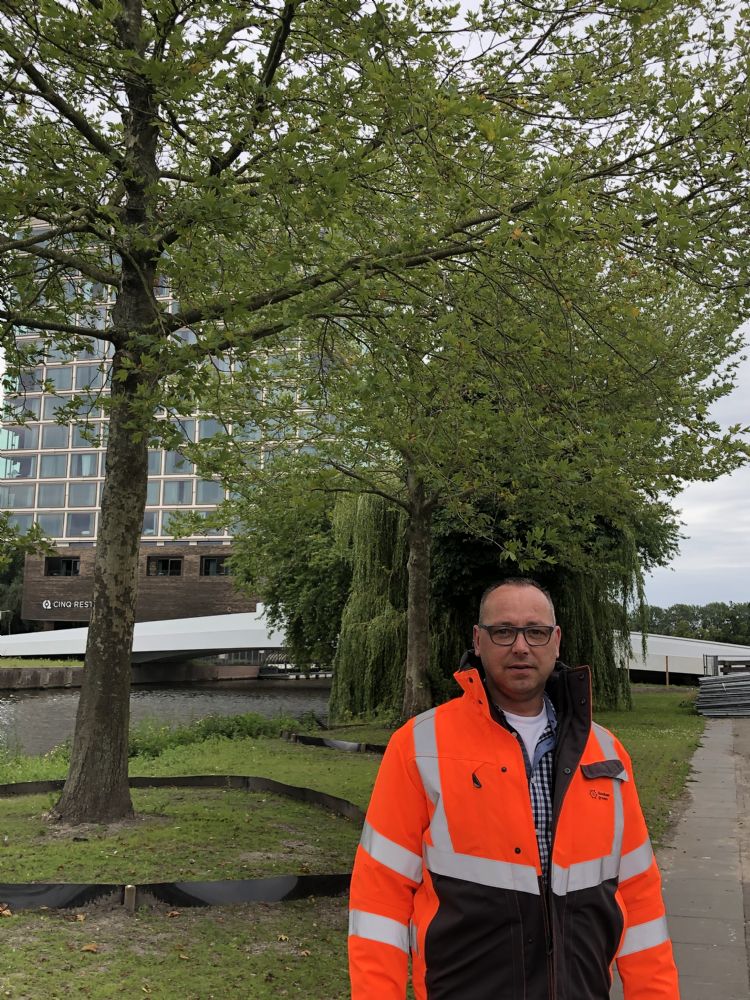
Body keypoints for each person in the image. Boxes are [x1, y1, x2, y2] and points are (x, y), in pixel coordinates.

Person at [348, 577, 679, 999]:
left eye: (535, 632)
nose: (521, 647)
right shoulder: (418, 747)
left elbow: (640, 899)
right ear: (478, 640)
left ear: (556, 641)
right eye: (503, 631)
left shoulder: (606, 754)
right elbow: (380, 898)